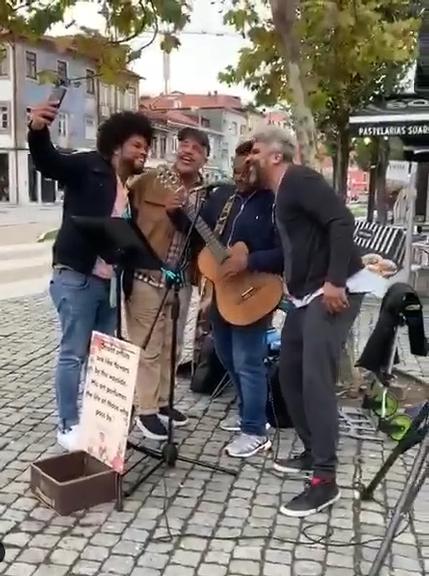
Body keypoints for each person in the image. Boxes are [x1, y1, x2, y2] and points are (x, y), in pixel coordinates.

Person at [248, 125, 366, 517]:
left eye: (256, 149)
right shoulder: (280, 193)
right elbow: (299, 243)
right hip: (305, 294)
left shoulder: (300, 179)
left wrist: (334, 281)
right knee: (289, 372)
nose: (251, 156)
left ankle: (325, 478)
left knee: (315, 379)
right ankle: (313, 449)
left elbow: (341, 221)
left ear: (276, 156)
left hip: (331, 292)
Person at [28, 101, 153, 451]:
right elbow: (48, 162)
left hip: (108, 284)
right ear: (117, 145)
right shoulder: (88, 166)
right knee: (73, 355)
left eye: (146, 145)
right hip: (78, 277)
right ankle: (67, 425)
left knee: (103, 358)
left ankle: (98, 423)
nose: (143, 151)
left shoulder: (126, 189)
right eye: (137, 144)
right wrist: (38, 129)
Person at [167, 141, 283, 458]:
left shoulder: (274, 203)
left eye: (246, 170)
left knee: (248, 361)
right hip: (222, 292)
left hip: (256, 291)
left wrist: (250, 261)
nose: (240, 176)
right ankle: (250, 413)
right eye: (235, 170)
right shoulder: (223, 197)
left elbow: (286, 253)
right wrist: (178, 211)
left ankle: (255, 431)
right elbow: (197, 231)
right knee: (226, 355)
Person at [126, 127, 209, 441]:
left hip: (182, 280)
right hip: (147, 275)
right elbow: (125, 213)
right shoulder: (151, 180)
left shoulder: (207, 194)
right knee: (148, 344)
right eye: (183, 145)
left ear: (204, 158)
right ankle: (145, 410)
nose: (187, 151)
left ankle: (162, 402)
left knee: (172, 345)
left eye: (196, 148)